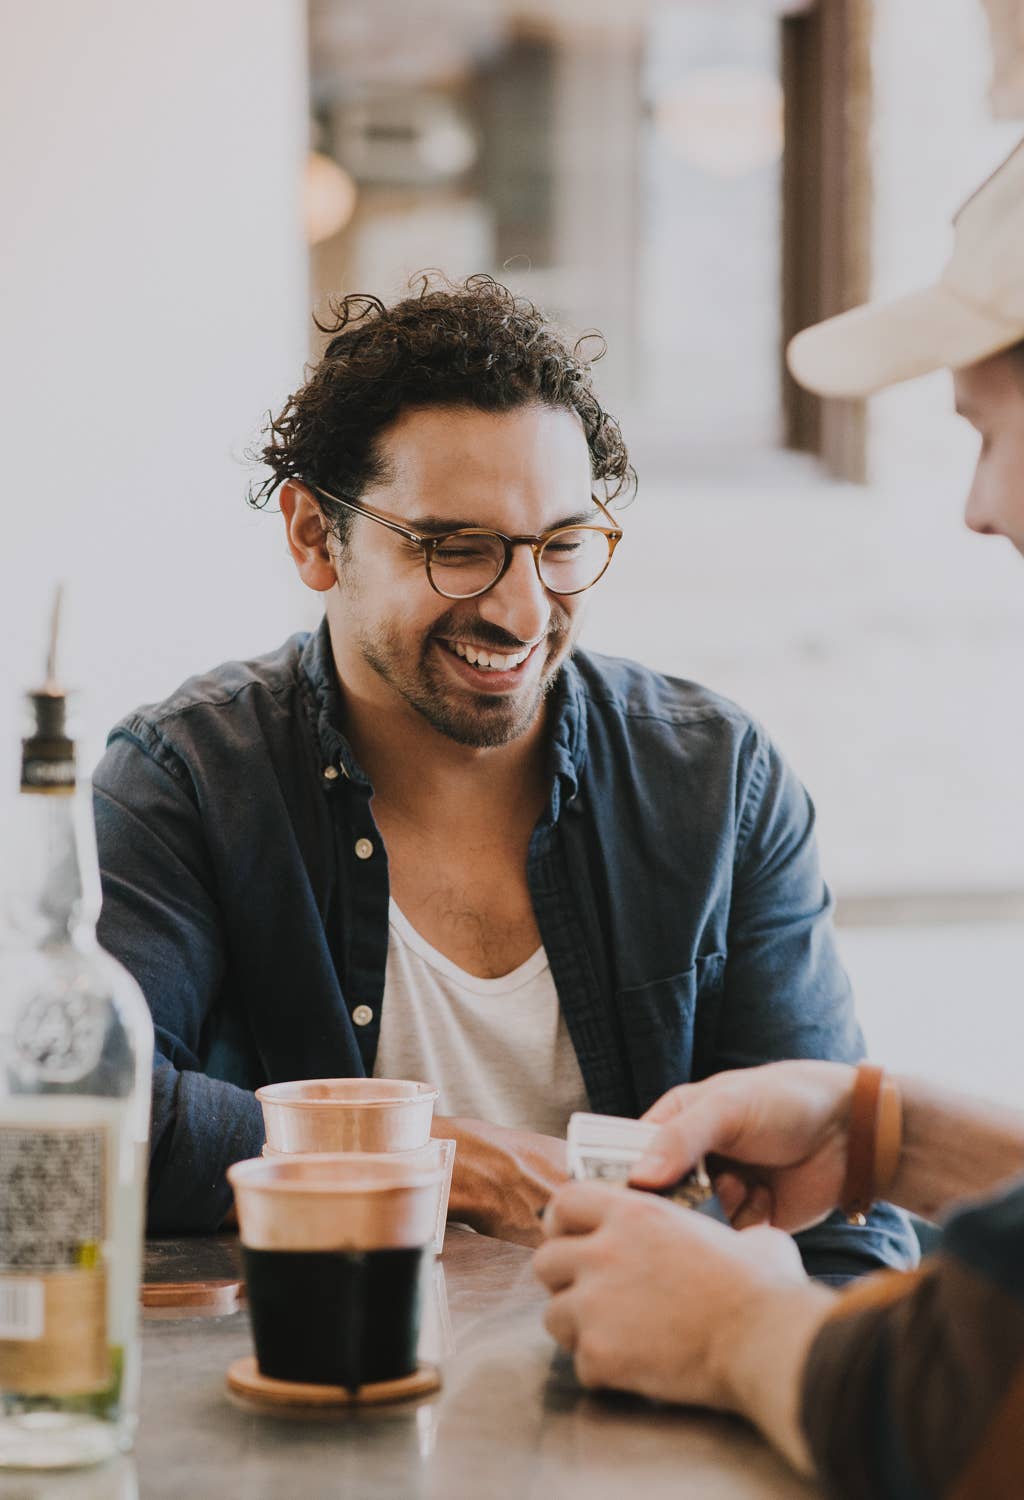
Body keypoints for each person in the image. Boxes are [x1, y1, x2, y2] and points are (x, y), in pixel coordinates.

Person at [93, 275, 911, 1277]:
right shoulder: (189, 781)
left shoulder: (716, 785)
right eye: (458, 549)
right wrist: (442, 1161)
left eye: (561, 545)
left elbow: (838, 1222)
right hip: (310, 1397)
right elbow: (86, 1111)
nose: (524, 612)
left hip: (650, 1396)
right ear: (314, 534)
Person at [536, 141, 1024, 1497]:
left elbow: (980, 1406)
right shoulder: (190, 762)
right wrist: (893, 1132)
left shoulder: (715, 769)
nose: (981, 510)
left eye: (989, 430)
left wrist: (734, 1326)